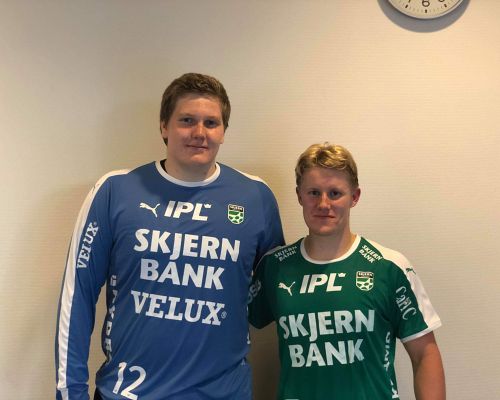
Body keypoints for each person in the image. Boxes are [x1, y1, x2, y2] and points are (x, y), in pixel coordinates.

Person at [55, 73, 284, 400]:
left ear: (223, 132)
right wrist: (70, 394)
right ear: (164, 126)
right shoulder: (115, 191)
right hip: (129, 392)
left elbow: (274, 294)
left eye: (211, 123)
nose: (199, 133)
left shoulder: (255, 197)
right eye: (187, 120)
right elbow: (76, 296)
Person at [248, 143, 445, 399]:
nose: (323, 204)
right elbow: (233, 329)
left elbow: (425, 355)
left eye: (335, 193)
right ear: (299, 196)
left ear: (354, 196)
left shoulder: (389, 267)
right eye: (313, 192)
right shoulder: (275, 267)